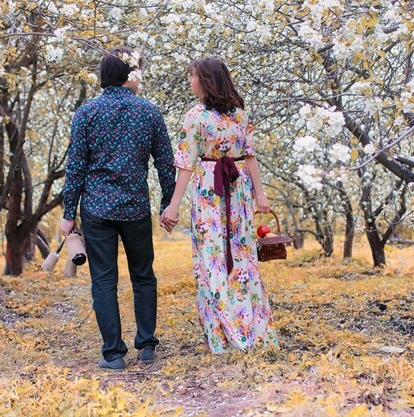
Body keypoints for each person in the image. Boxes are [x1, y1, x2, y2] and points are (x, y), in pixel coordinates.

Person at [61, 47, 176, 370]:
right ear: (130, 75)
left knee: (103, 281)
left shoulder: (86, 114)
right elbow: (165, 164)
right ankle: (147, 345)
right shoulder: (149, 113)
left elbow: (76, 168)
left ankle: (113, 353)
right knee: (143, 276)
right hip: (135, 207)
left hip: (97, 209)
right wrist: (168, 203)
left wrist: (69, 213)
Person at [160, 58, 279, 354]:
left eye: (193, 76)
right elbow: (249, 156)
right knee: (238, 257)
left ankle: (227, 335)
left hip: (213, 192)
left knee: (215, 259)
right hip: (234, 191)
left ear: (207, 81)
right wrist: (259, 195)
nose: (190, 81)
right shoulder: (238, 114)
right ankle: (246, 329)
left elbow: (187, 165)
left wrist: (173, 207)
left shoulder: (199, 116)